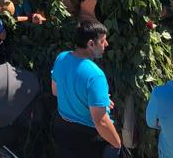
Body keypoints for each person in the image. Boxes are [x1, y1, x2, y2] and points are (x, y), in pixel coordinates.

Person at [51, 21, 121, 156]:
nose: (106, 44)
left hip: (62, 130)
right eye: (103, 41)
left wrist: (97, 101)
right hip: (87, 139)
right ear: (90, 44)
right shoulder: (95, 75)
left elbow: (56, 91)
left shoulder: (62, 58)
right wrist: (117, 144)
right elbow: (101, 122)